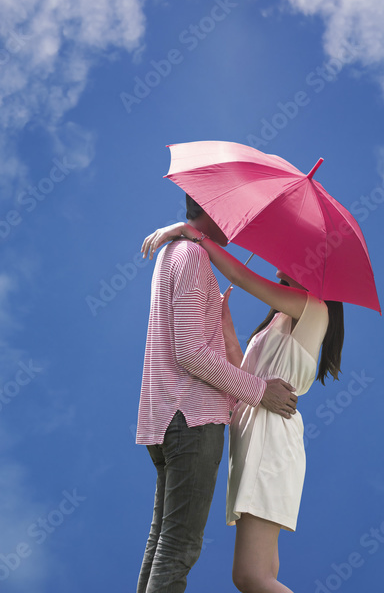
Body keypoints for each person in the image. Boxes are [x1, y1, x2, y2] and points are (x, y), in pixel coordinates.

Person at [141, 211, 345, 593]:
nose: (283, 262)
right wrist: (222, 318)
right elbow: (243, 373)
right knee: (259, 573)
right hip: (252, 437)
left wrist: (191, 233)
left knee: (251, 576)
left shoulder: (313, 309)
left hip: (271, 440)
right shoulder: (278, 320)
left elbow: (241, 276)